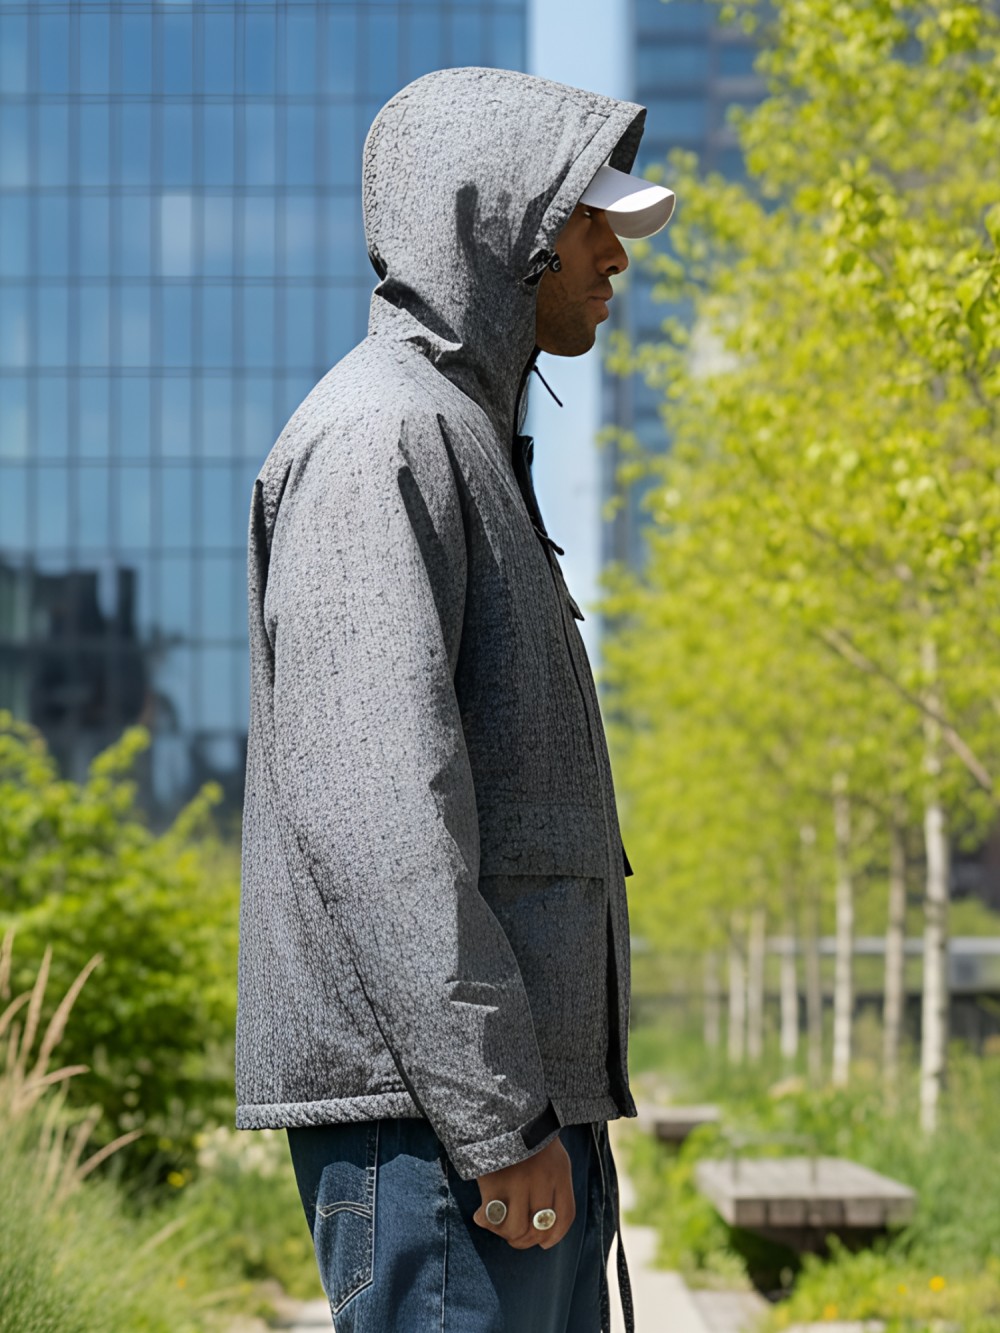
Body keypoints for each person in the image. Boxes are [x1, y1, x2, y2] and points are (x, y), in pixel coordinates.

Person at [235, 66, 675, 1332]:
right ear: (506, 225)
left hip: (498, 1119)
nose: (615, 256)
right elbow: (378, 813)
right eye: (589, 221)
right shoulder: (384, 438)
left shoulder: (457, 435)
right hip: (447, 1138)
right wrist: (496, 1118)